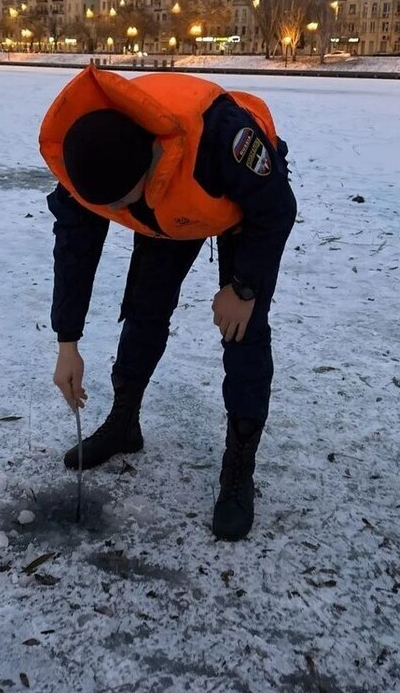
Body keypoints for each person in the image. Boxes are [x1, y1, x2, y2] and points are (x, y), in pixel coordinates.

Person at [38, 65, 296, 540]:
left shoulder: (227, 140)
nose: (116, 217)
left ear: (152, 160)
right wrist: (67, 339)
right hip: (171, 210)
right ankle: (123, 422)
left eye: (123, 205)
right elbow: (75, 246)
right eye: (108, 210)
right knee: (144, 308)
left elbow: (277, 207)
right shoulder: (88, 157)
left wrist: (244, 288)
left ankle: (239, 467)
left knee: (243, 333)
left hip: (237, 206)